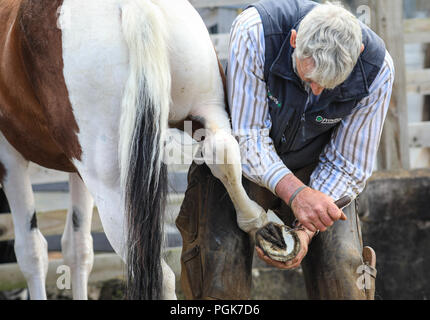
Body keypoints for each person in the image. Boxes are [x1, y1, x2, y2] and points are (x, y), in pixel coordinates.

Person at [176, 0, 393, 300]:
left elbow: (348, 164)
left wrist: (306, 230)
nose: (317, 92)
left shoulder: (378, 69)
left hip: (318, 171)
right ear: (294, 40)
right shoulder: (255, 32)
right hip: (233, 164)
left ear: (356, 55)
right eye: (311, 80)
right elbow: (248, 137)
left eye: (331, 85)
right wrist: (296, 194)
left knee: (344, 271)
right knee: (219, 274)